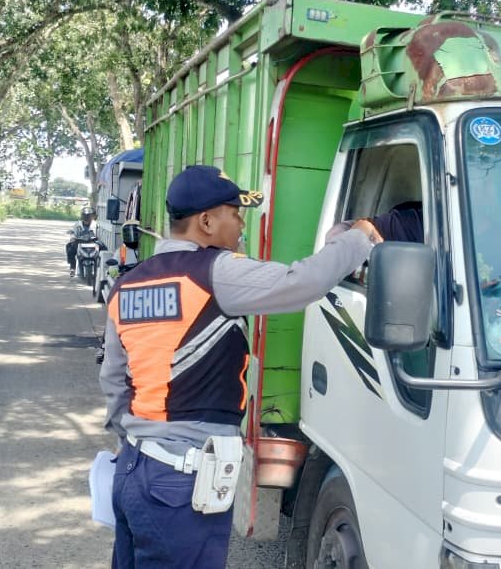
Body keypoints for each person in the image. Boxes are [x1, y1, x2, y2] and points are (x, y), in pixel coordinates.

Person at [99, 165, 380, 568]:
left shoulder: (129, 284)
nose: (241, 222)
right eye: (234, 212)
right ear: (207, 221)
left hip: (132, 471)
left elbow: (113, 380)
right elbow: (303, 282)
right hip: (180, 485)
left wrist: (134, 443)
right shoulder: (215, 272)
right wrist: (360, 238)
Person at [66, 206, 97, 276]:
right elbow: (73, 232)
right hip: (79, 242)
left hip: (92, 242)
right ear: (82, 216)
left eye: (88, 216)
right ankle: (72, 268)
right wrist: (72, 237)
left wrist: (98, 238)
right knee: (69, 248)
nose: (87, 217)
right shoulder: (78, 224)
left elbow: (99, 233)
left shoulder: (95, 224)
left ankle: (103, 267)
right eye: (85, 215)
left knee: (103, 248)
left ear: (91, 216)